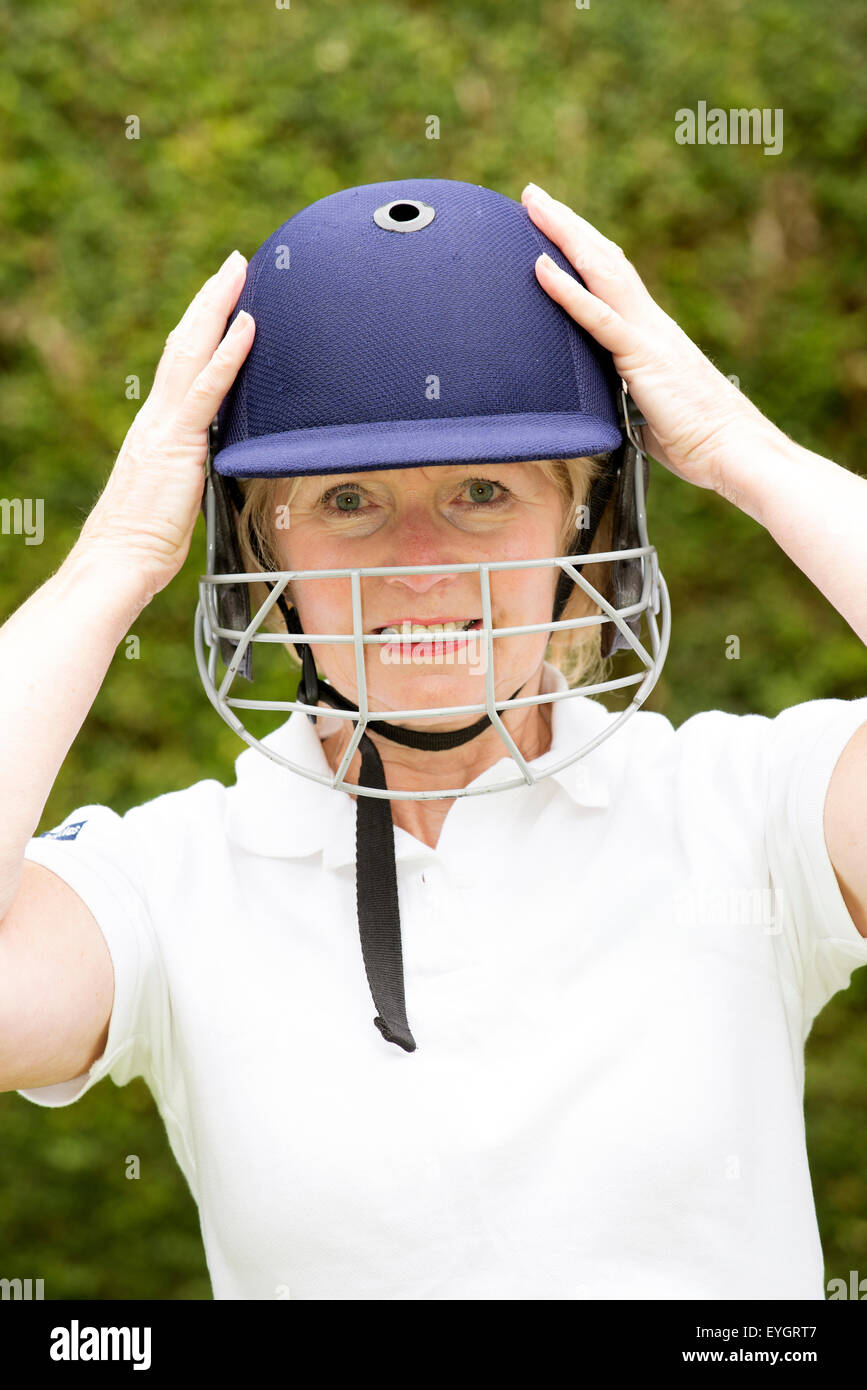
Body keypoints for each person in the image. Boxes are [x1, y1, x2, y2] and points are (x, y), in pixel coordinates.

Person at [1, 178, 866, 1301]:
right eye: (348, 500)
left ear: (582, 525)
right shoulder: (171, 880)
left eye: (482, 489)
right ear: (265, 550)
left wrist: (740, 447)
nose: (422, 562)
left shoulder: (742, 808)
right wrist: (113, 554)